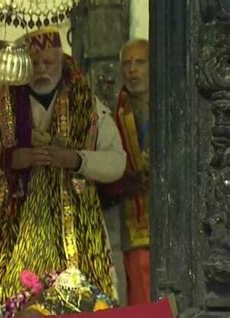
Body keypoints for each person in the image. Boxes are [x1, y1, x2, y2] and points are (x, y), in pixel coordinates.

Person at [0, 27, 126, 316]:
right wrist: (8, 159)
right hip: (12, 228)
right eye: (34, 63)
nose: (41, 70)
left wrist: (76, 159)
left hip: (74, 228)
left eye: (49, 63)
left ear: (61, 62)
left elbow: (117, 162)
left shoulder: (87, 105)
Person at [100, 39, 150, 305]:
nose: (132, 69)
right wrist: (123, 183)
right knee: (142, 297)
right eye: (127, 63)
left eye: (140, 62)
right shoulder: (114, 115)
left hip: (176, 222)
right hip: (135, 224)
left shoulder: (174, 106)